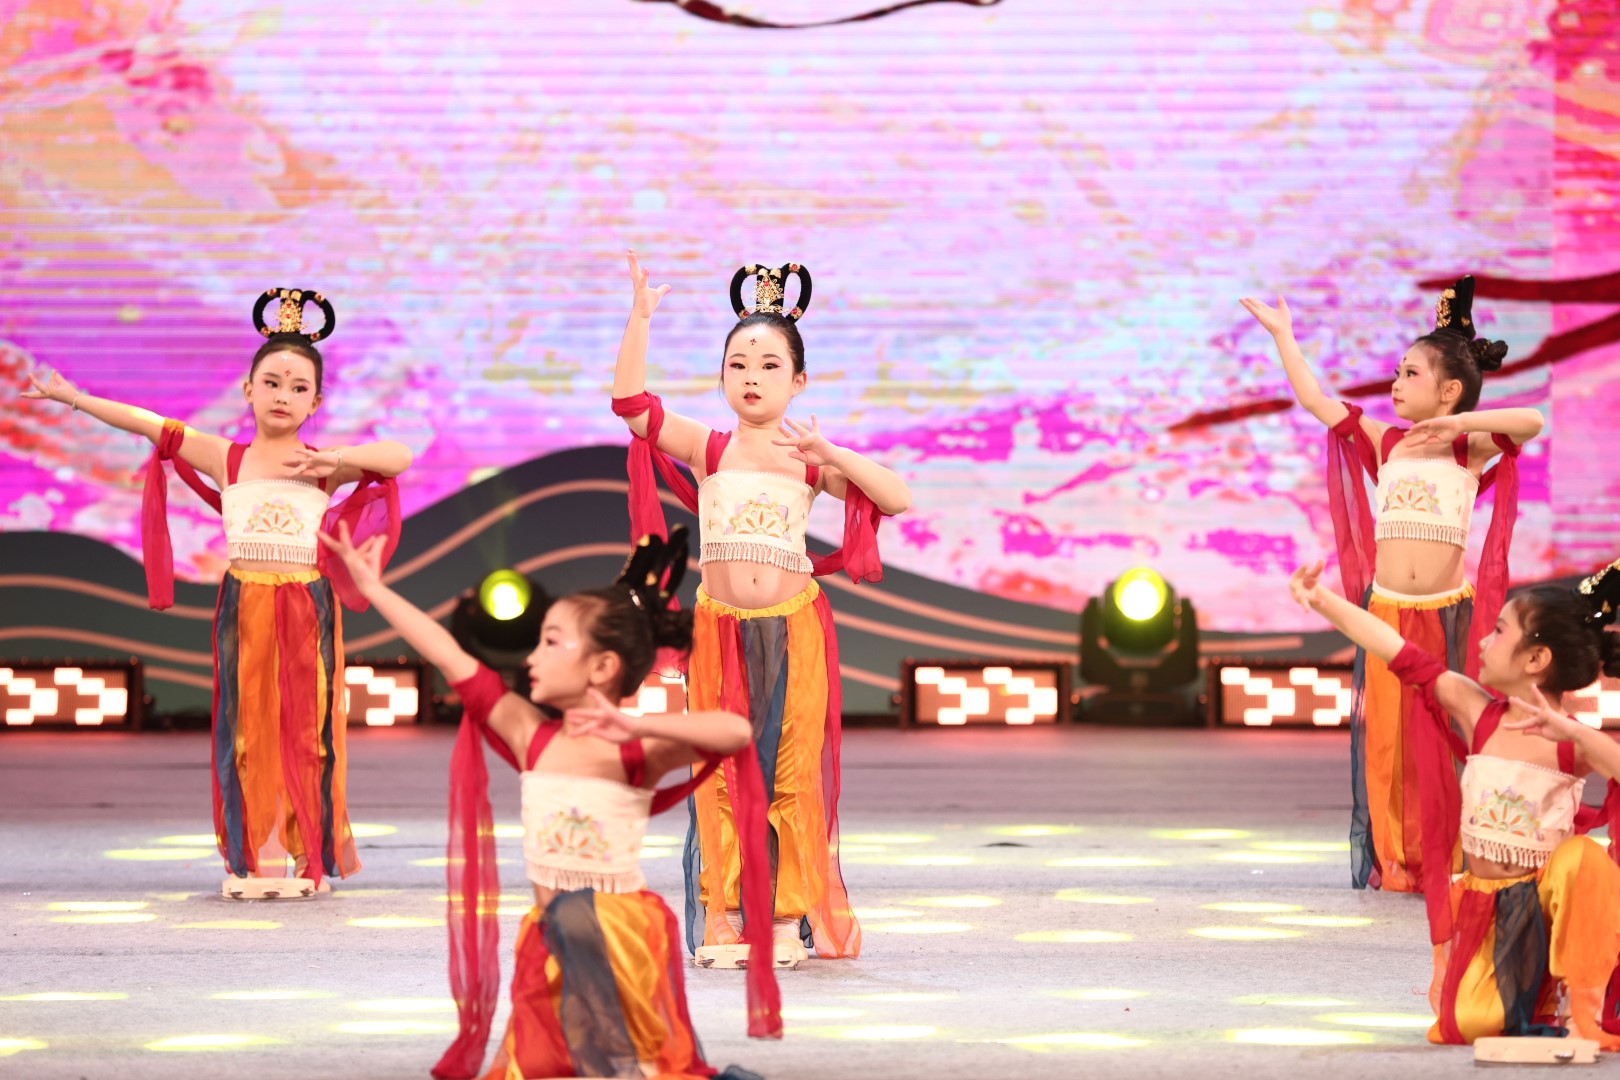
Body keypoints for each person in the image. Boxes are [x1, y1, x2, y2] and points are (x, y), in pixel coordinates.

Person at [319, 522, 779, 1079]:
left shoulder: (634, 750)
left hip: (619, 936)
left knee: (637, 1066)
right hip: (549, 937)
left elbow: (734, 731)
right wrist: (373, 588)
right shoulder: (529, 735)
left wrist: (638, 727)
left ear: (603, 667)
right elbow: (446, 653)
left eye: (552, 642)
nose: (532, 657)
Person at [20, 288, 409, 897]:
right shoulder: (225, 457)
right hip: (245, 601)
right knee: (247, 731)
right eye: (272, 383)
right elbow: (147, 423)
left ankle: (310, 860)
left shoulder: (323, 464)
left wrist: (336, 457)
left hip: (306, 604)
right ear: (249, 390)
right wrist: (74, 399)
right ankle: (254, 858)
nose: (283, 396)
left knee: (309, 732)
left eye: (299, 387)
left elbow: (398, 456)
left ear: (315, 401)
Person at [609, 253, 912, 967]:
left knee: (789, 773)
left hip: (793, 629)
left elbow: (896, 499)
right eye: (738, 364)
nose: (752, 376)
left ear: (798, 380)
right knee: (720, 772)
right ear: (722, 376)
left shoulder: (808, 459)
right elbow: (632, 406)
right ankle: (724, 917)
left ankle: (783, 918)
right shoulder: (708, 447)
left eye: (770, 365)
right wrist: (640, 319)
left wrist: (832, 452)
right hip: (718, 629)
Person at [1242, 276, 1543, 893]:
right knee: (1390, 743)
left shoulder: (1468, 448)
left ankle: (1452, 853)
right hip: (1386, 612)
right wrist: (1284, 338)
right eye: (1397, 373)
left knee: (1446, 737)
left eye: (1410, 374)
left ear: (1449, 390)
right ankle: (1401, 858)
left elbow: (1532, 420)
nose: (1395, 384)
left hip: (1446, 614)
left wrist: (1460, 425)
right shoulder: (1387, 443)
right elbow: (1316, 400)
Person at [1290, 555, 1620, 1045]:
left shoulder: (1574, 743)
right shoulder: (1477, 712)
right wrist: (1321, 600)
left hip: (1550, 901)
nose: (1483, 642)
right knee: (1470, 1024)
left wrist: (1574, 732)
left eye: (1499, 631)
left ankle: (1580, 1009)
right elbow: (1396, 650)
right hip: (1492, 910)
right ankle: (1537, 995)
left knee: (1583, 859)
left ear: (1536, 659)